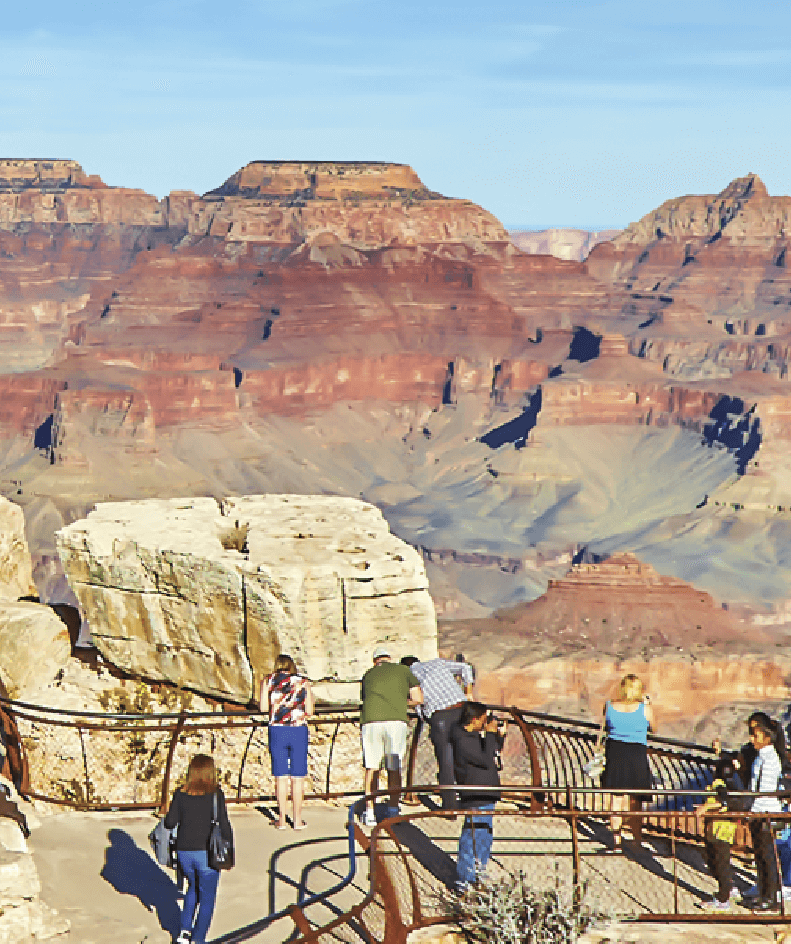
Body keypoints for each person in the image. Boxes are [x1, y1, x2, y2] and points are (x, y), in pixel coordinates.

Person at [164, 754, 233, 944]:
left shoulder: (180, 793)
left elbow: (170, 822)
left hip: (184, 852)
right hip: (207, 853)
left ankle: (184, 933)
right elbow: (224, 824)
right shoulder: (215, 794)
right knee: (207, 898)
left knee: (193, 889)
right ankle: (198, 938)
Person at [360, 644, 423, 827]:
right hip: (395, 723)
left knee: (372, 768)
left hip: (371, 722)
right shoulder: (403, 671)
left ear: (375, 661)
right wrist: (401, 702)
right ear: (389, 658)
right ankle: (393, 810)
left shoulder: (368, 675)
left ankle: (370, 812)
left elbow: (365, 698)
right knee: (393, 766)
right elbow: (418, 698)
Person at [401, 655, 474, 810]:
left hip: (440, 717)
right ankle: (472, 800)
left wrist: (425, 716)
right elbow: (465, 667)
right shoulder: (436, 663)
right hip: (462, 710)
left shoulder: (408, 675)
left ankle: (450, 807)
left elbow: (418, 702)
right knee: (466, 754)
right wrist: (468, 692)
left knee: (446, 761)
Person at [450, 701, 506, 890]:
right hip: (476, 794)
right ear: (474, 719)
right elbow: (483, 760)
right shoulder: (462, 739)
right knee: (472, 836)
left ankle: (477, 875)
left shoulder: (471, 736)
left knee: (484, 836)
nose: (485, 723)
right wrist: (490, 733)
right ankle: (464, 882)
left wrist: (498, 736)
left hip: (485, 794)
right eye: (483, 719)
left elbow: (490, 754)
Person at [600, 674, 655, 850]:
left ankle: (616, 841)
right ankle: (637, 840)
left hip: (615, 752)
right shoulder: (643, 708)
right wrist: (647, 705)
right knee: (636, 800)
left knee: (616, 800)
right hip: (636, 754)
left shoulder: (609, 706)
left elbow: (608, 726)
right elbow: (653, 728)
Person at [263, 653, 314, 830]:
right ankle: (298, 821)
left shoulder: (269, 680)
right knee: (297, 778)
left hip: (277, 730)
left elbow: (263, 707)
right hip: (298, 730)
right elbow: (309, 710)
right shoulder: (303, 681)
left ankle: (282, 821)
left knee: (281, 777)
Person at [741, 714, 786, 913]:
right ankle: (763, 894)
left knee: (768, 857)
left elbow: (764, 791)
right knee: (760, 856)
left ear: (767, 737)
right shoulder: (761, 755)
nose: (752, 739)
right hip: (759, 812)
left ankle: (771, 899)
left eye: (756, 735)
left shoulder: (770, 758)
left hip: (765, 813)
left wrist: (752, 811)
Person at [694, 751, 742, 911]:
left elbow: (723, 803)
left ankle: (723, 899)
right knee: (718, 862)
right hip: (720, 831)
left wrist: (705, 808)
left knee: (719, 864)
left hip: (720, 832)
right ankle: (729, 888)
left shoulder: (720, 785)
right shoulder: (732, 784)